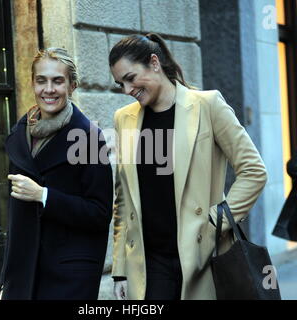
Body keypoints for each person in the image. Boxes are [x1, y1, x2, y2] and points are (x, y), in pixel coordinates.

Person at [109, 33, 267, 300]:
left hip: (201, 255)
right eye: (119, 84)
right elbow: (123, 200)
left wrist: (216, 221)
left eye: (131, 78)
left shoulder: (207, 105)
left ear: (155, 63)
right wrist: (120, 270)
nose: (127, 90)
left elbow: (254, 171)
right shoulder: (124, 119)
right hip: (149, 264)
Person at [0, 47, 113, 300]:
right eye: (41, 80)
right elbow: (15, 217)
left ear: (72, 86)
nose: (48, 89)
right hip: (23, 273)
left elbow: (100, 212)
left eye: (57, 81)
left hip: (68, 277)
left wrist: (44, 196)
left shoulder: (89, 138)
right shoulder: (20, 132)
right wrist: (5, 275)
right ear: (32, 83)